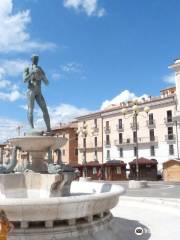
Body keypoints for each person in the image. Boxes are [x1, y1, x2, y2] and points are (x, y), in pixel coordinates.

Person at [23, 55, 51, 133]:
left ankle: (49, 129)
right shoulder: (27, 68)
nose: (35, 60)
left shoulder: (40, 69)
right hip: (31, 90)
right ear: (31, 59)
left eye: (37, 59)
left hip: (39, 92)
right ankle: (31, 127)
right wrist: (32, 72)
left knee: (45, 110)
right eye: (34, 58)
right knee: (31, 109)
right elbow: (24, 80)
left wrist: (41, 75)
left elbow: (47, 82)